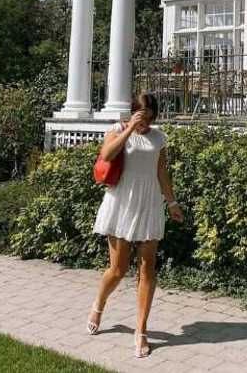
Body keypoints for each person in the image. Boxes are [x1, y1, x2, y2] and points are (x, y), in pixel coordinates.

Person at [84, 94, 184, 358]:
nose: (146, 122)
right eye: (142, 116)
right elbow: (107, 154)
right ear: (133, 112)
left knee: (147, 269)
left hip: (149, 203)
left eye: (151, 117)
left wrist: (172, 203)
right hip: (122, 203)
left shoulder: (159, 137)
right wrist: (129, 128)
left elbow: (161, 172)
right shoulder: (118, 129)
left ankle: (141, 330)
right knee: (118, 270)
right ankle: (98, 304)